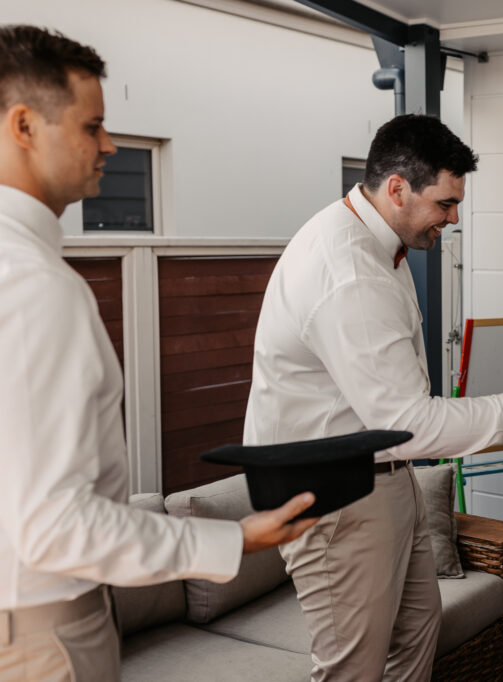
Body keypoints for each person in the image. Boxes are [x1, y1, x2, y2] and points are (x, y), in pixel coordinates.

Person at [0, 25, 320, 682]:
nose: (111, 146)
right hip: (43, 631)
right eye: (93, 127)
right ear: (25, 126)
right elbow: (55, 526)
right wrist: (235, 538)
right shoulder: (34, 286)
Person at [243, 113, 503, 681]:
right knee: (354, 669)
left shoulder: (375, 243)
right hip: (331, 497)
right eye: (445, 204)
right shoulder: (348, 271)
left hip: (385, 481)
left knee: (420, 627)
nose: (452, 218)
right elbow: (408, 423)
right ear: (396, 188)